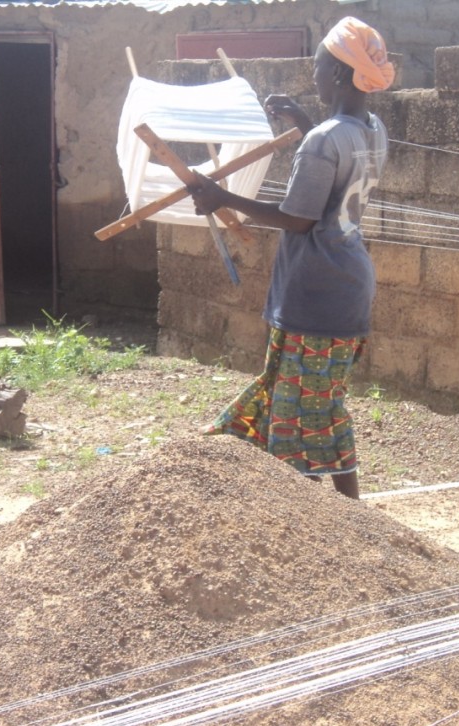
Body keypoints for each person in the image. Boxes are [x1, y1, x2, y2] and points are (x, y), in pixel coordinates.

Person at [188, 16, 394, 499]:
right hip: (347, 281)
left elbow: (298, 219)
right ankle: (324, 511)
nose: (315, 76)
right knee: (301, 399)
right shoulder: (373, 129)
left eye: (320, 67)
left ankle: (335, 517)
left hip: (316, 289)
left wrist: (224, 197)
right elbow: (336, 179)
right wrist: (306, 124)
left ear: (341, 75)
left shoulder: (323, 140)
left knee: (311, 410)